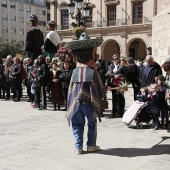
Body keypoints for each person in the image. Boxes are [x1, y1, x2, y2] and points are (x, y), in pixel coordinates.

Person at [65, 32, 103, 155]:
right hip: (89, 103)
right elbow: (99, 90)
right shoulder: (93, 73)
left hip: (75, 102)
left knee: (77, 124)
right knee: (92, 123)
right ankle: (91, 145)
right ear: (91, 54)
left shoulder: (74, 72)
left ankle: (78, 148)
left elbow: (70, 89)